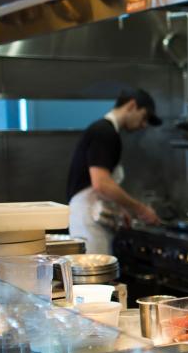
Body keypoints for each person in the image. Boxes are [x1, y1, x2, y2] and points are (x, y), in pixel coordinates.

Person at [67, 88, 162, 254]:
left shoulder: (104, 130)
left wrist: (118, 207)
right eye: (144, 116)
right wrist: (140, 208)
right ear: (132, 105)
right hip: (89, 221)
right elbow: (101, 184)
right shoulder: (105, 132)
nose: (144, 124)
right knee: (94, 279)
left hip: (89, 217)